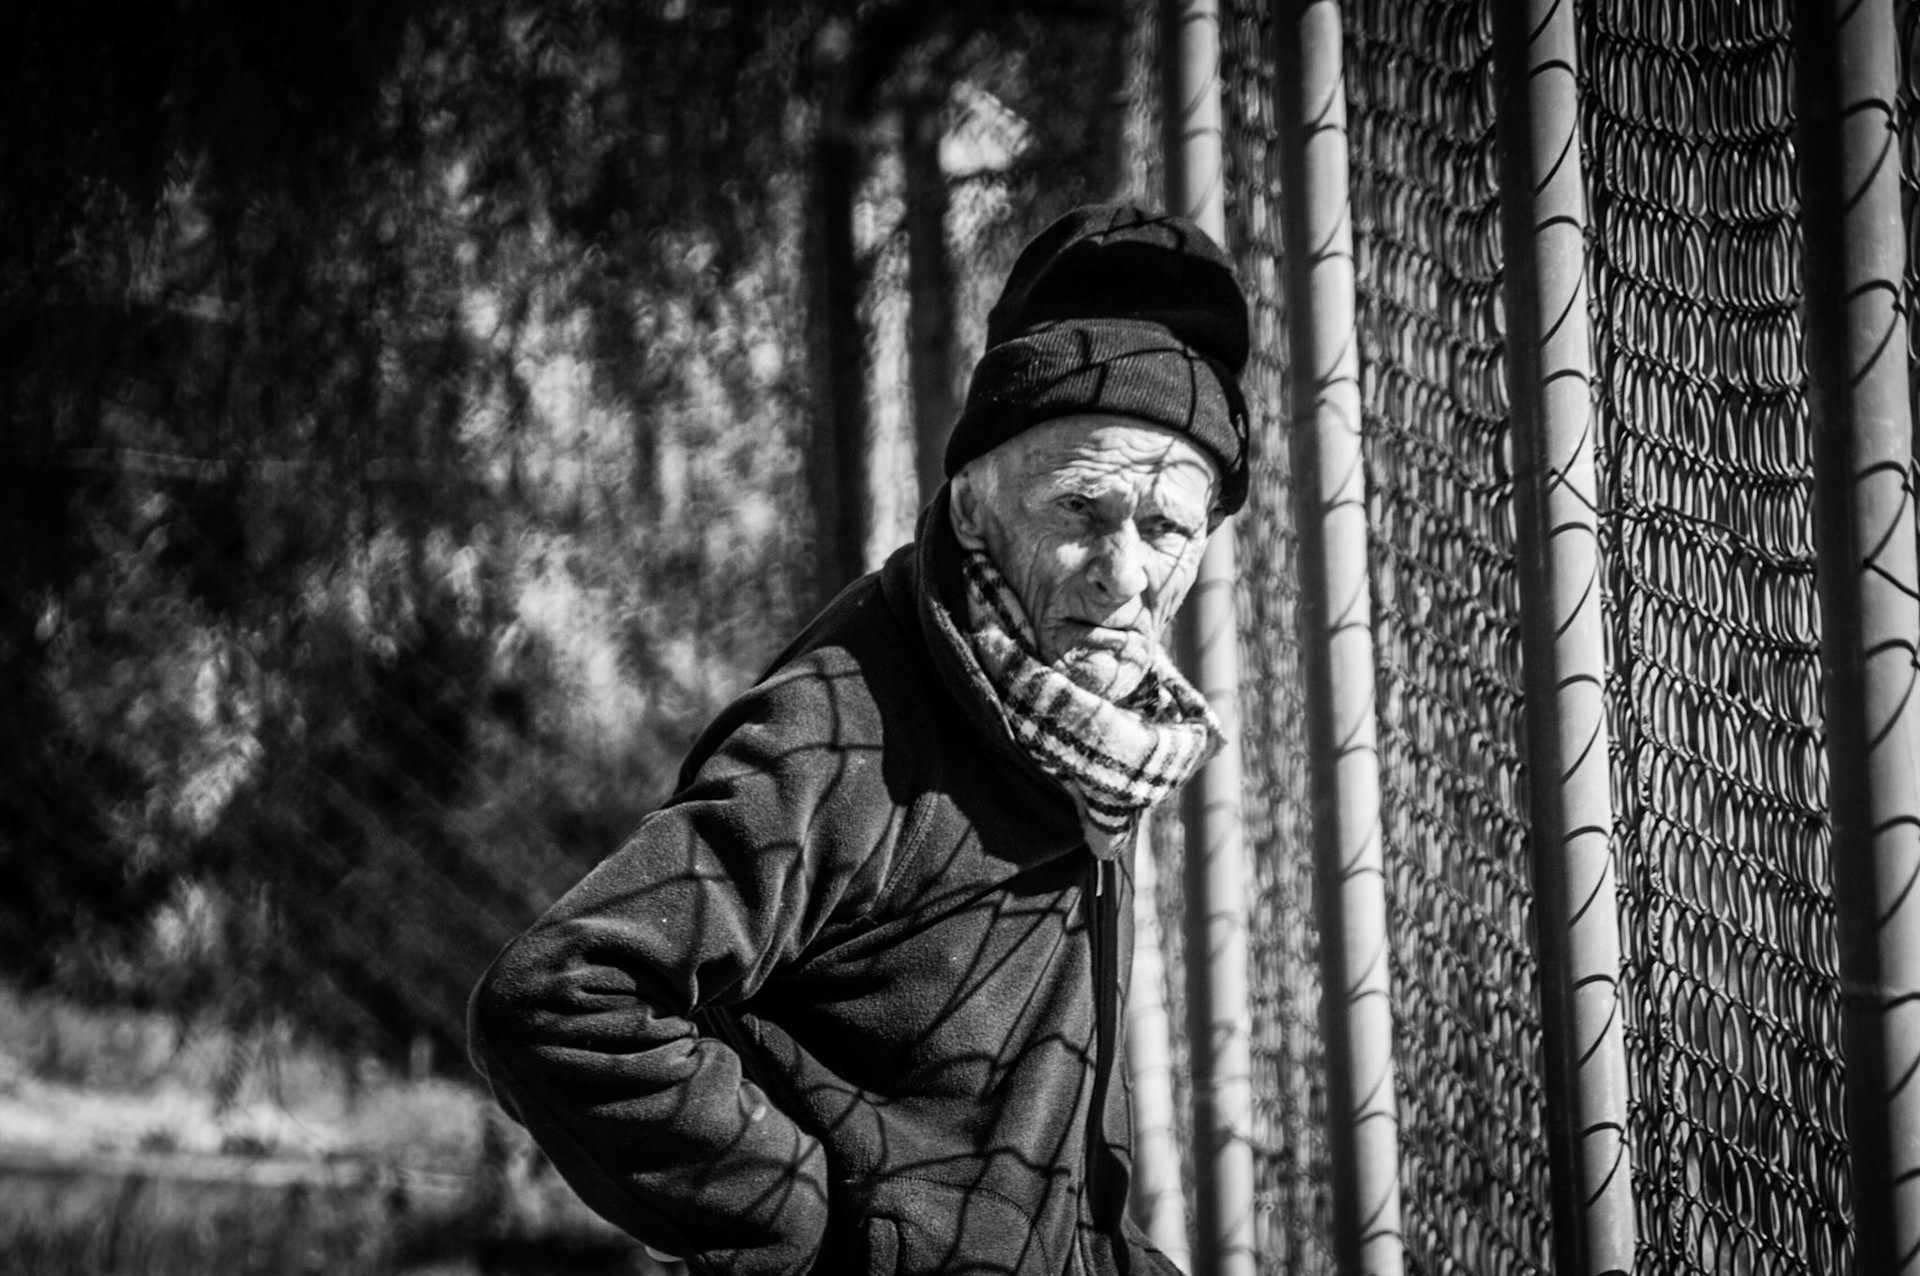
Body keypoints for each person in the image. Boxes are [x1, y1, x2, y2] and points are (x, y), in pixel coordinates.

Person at [467, 202, 1251, 1276]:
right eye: (1082, 511)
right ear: (975, 508)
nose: (1126, 577)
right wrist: (816, 1237)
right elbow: (559, 1000)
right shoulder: (845, 729)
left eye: (1167, 529)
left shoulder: (1074, 722)